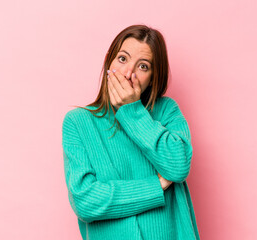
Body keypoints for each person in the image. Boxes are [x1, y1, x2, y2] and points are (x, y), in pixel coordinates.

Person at [62, 24, 201, 240]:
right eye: (123, 59)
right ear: (109, 60)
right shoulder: (78, 122)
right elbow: (86, 201)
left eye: (143, 66)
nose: (129, 74)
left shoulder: (166, 111)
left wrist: (132, 111)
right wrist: (156, 186)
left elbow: (178, 166)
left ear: (154, 76)